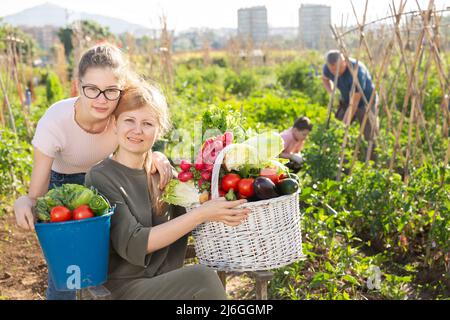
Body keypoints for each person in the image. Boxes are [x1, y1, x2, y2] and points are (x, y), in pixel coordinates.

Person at [13, 43, 174, 300]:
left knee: (109, 266)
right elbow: (37, 193)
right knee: (68, 275)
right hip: (64, 190)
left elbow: (144, 128)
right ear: (78, 85)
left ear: (120, 90)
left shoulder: (120, 112)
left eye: (111, 91)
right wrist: (25, 201)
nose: (101, 100)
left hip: (109, 181)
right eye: (92, 89)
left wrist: (157, 155)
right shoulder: (55, 121)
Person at [85, 80, 251, 300]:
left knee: (203, 280)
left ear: (159, 130)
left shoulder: (164, 175)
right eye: (129, 120)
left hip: (167, 284)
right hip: (124, 290)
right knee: (202, 278)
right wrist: (200, 214)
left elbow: (197, 219)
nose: (137, 130)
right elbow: (134, 243)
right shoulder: (101, 176)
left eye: (147, 123)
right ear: (114, 124)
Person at [322, 50, 379, 159]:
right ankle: (340, 156)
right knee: (336, 127)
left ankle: (373, 160)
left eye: (338, 68)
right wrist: (331, 92)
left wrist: (344, 125)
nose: (335, 72)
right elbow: (325, 79)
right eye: (332, 69)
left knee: (369, 133)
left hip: (365, 102)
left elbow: (354, 104)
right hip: (347, 99)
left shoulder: (357, 72)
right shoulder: (328, 68)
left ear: (345, 61)